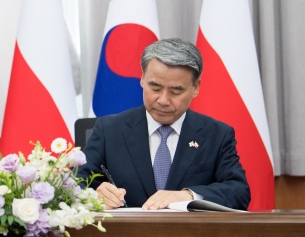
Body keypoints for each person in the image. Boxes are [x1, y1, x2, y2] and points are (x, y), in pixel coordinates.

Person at [78, 38, 250, 210]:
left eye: (176, 91)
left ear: (196, 87)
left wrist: (187, 195)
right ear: (143, 79)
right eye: (155, 88)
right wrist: (94, 194)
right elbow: (75, 184)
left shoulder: (217, 135)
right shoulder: (109, 130)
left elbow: (239, 191)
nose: (163, 100)